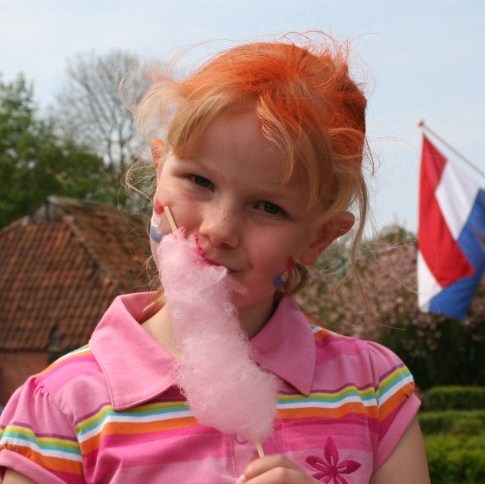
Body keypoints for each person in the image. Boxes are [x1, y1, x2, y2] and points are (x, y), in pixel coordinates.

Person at [0, 33, 430, 483]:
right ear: (159, 170)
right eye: (199, 181)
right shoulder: (60, 405)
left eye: (268, 207)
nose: (219, 229)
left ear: (319, 237)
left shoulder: (373, 388)